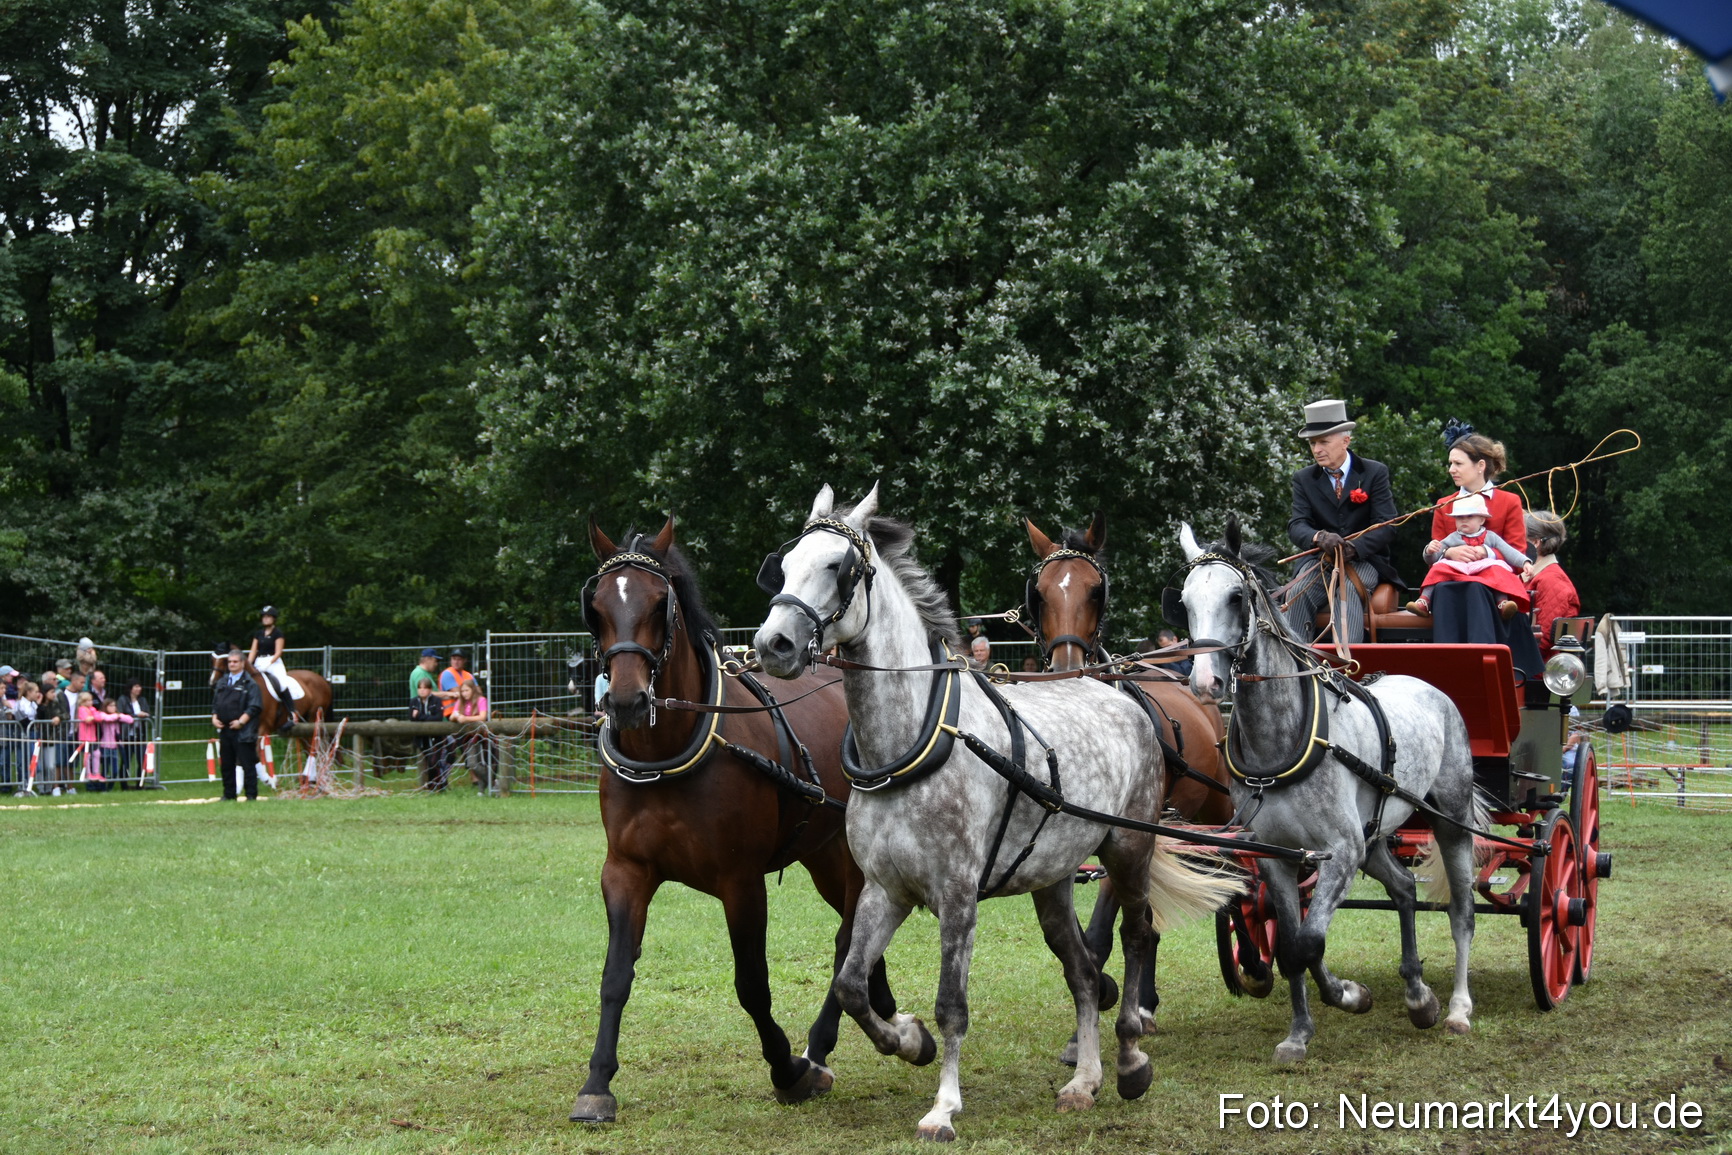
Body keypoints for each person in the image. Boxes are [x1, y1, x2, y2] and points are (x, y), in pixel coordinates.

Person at [1284, 399, 1402, 644]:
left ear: (1345, 441)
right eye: (1313, 443)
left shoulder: (1374, 472)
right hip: (1320, 561)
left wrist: (1354, 548)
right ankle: (1297, 665)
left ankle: (1349, 669)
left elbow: (1387, 524)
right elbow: (1297, 525)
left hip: (1365, 560)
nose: (1317, 449)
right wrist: (1319, 537)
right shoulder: (1303, 478)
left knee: (1345, 592)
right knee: (1296, 593)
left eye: (1323, 441)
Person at [1406, 494, 1531, 618]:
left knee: (1498, 569)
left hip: (1483, 570)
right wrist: (1429, 550)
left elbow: (1509, 551)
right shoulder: (1452, 537)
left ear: (1481, 520)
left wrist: (1525, 562)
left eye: (1470, 516)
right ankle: (1424, 601)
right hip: (1458, 570)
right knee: (1438, 568)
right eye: (1459, 517)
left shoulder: (1491, 536)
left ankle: (1502, 603)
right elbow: (1432, 559)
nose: (1464, 520)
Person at [1424, 428, 1526, 563]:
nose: (1451, 470)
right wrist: (1448, 552)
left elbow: (1519, 557)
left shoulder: (1509, 502)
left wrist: (1487, 552)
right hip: (1452, 580)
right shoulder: (1444, 505)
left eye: (1458, 463)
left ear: (1480, 465)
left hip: (1495, 580)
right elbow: (1433, 558)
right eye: (1451, 464)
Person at [1525, 510, 1581, 660]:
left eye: (1518, 538)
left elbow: (1542, 641)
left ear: (1535, 543)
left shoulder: (1551, 580)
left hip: (1533, 673)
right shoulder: (1533, 575)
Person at [211, 649, 263, 801]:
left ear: (242, 663)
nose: (232, 664)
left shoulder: (250, 684)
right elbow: (216, 703)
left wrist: (241, 722)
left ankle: (251, 795)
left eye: (235, 662)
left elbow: (255, 706)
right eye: (229, 662)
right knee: (226, 764)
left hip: (243, 731)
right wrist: (214, 718)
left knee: (247, 764)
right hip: (225, 730)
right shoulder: (222, 681)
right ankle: (229, 794)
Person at [248, 606, 299, 724]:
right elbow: (253, 651)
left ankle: (292, 712)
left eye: (268, 617)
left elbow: (278, 652)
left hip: (273, 661)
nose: (265, 619)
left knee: (281, 683)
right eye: (264, 617)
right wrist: (248, 664)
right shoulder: (258, 634)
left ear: (273, 619)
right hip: (259, 661)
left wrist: (269, 663)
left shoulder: (278, 633)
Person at [450, 677, 492, 791]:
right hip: (468, 738)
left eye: (466, 690)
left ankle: (485, 785)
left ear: (473, 690)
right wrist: (454, 716)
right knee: (473, 763)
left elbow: (482, 717)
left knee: (483, 761)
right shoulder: (460, 702)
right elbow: (453, 715)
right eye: (462, 691)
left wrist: (466, 719)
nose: (464, 694)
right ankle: (492, 782)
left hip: (482, 736)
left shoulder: (481, 700)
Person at [409, 676, 450, 790]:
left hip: (436, 738)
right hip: (421, 739)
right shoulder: (413, 701)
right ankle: (436, 785)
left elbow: (437, 718)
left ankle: (436, 785)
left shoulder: (436, 701)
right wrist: (425, 718)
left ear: (430, 689)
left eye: (425, 688)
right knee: (428, 762)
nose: (422, 690)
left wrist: (420, 716)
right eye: (420, 688)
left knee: (434, 762)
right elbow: (411, 718)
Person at [118, 679, 151, 785]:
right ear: (130, 688)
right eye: (136, 686)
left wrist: (145, 715)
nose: (139, 689)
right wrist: (136, 715)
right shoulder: (123, 700)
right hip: (127, 735)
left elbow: (147, 712)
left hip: (140, 735)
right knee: (126, 761)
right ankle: (124, 784)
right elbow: (120, 714)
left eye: (139, 686)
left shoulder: (142, 700)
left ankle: (140, 783)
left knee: (142, 760)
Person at [439, 649, 475, 719]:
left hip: (467, 711)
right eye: (454, 659)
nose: (456, 662)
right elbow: (459, 694)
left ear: (464, 660)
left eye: (459, 659)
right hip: (451, 713)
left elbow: (478, 693)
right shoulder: (447, 674)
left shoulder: (469, 675)